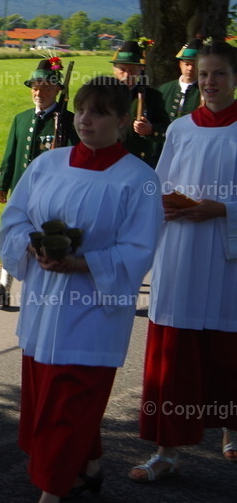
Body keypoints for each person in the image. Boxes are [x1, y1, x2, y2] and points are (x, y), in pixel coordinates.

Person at [0, 76, 162, 502]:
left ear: (123, 121)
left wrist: (82, 262)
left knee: (68, 407)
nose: (85, 120)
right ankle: (88, 466)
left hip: (93, 312)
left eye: (100, 113)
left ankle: (52, 492)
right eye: (83, 110)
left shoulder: (138, 178)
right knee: (48, 399)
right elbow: (14, 220)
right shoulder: (47, 165)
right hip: (44, 306)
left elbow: (139, 248)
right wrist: (32, 250)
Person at [128, 40, 237, 483]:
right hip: (181, 253)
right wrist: (164, 205)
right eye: (204, 74)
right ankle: (166, 450)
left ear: (234, 79)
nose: (209, 82)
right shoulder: (180, 129)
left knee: (227, 350)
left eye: (220, 75)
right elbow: (158, 185)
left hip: (227, 256)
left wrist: (225, 209)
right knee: (174, 354)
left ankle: (232, 429)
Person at [0, 58, 78, 308]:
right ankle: (3, 287)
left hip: (52, 195)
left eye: (45, 87)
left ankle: (50, 290)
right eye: (35, 87)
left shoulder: (68, 121)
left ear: (57, 90)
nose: (39, 92)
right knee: (13, 236)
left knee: (45, 242)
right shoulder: (21, 119)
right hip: (21, 191)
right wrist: (2, 183)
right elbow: (11, 154)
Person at [109, 40, 168, 166]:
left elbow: (166, 130)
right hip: (108, 161)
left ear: (140, 70)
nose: (127, 74)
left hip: (138, 162)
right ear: (114, 70)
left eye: (132, 70)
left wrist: (151, 130)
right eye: (122, 69)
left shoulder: (152, 96)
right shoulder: (104, 95)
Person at [158, 38, 202, 124]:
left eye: (195, 65)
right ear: (180, 64)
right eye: (187, 64)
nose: (190, 68)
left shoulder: (203, 91)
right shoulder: (164, 89)